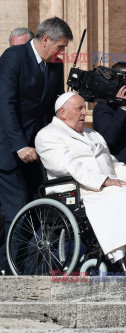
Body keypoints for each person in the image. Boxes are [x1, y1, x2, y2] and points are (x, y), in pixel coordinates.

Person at [35, 93, 126, 275]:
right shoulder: (48, 135)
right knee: (124, 195)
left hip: (104, 187)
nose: (84, 113)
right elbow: (67, 166)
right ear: (63, 112)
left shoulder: (92, 134)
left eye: (84, 108)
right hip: (77, 191)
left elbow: (114, 163)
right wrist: (104, 181)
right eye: (79, 109)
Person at [0, 17, 72, 274]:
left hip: (37, 153)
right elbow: (5, 105)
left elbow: (52, 109)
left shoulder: (55, 66)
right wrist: (19, 145)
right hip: (9, 150)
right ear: (45, 40)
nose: (61, 53)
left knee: (37, 211)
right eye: (60, 47)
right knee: (18, 210)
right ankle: (7, 271)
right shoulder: (14, 57)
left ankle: (26, 271)